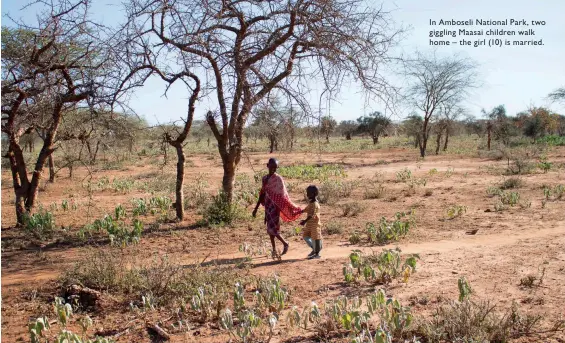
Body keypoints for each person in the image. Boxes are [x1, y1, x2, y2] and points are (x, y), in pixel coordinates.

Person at [252, 158, 302, 257]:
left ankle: (285, 244)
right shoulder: (264, 179)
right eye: (272, 167)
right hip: (268, 206)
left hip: (275, 207)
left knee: (273, 229)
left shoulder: (278, 179)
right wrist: (256, 208)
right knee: (269, 230)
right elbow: (262, 194)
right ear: (267, 166)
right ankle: (274, 250)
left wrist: (280, 207)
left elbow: (283, 195)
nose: (273, 169)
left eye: (275, 168)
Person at [300, 185, 323, 259]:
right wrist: (299, 211)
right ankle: (315, 249)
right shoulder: (311, 203)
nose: (307, 194)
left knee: (315, 238)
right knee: (306, 236)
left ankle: (317, 253)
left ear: (313, 194)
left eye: (308, 193)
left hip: (315, 224)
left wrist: (304, 221)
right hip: (310, 224)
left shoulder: (315, 204)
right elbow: (306, 209)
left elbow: (312, 214)